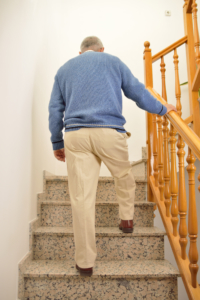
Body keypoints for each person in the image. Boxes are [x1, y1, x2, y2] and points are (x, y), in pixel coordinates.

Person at [48, 36, 177, 277]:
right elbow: (137, 92)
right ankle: (126, 219)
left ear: (80, 53)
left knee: (82, 198)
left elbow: (55, 108)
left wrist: (57, 141)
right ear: (101, 49)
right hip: (110, 132)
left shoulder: (64, 69)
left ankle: (85, 262)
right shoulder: (113, 61)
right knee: (124, 175)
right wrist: (162, 108)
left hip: (76, 135)